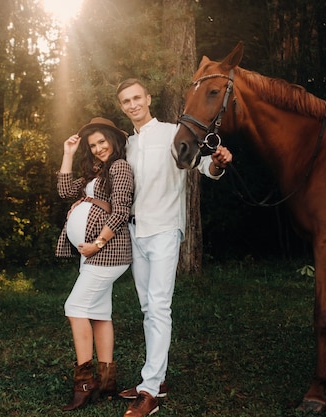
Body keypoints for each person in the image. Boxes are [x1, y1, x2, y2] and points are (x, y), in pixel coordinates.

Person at [115, 79, 233, 417]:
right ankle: (158, 377)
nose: (133, 104)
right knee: (146, 307)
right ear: (122, 106)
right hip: (136, 232)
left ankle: (150, 391)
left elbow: (205, 167)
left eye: (137, 97)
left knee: (159, 307)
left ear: (148, 99)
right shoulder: (127, 144)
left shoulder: (172, 133)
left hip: (166, 229)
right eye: (126, 101)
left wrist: (219, 163)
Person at [55, 117, 134, 412]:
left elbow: (121, 209)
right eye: (94, 144)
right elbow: (64, 192)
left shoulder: (120, 167)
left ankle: (84, 383)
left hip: (108, 252)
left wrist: (98, 243)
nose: (99, 148)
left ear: (114, 141)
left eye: (103, 142)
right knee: (99, 314)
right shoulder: (97, 172)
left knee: (75, 308)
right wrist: (68, 154)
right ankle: (107, 381)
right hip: (94, 254)